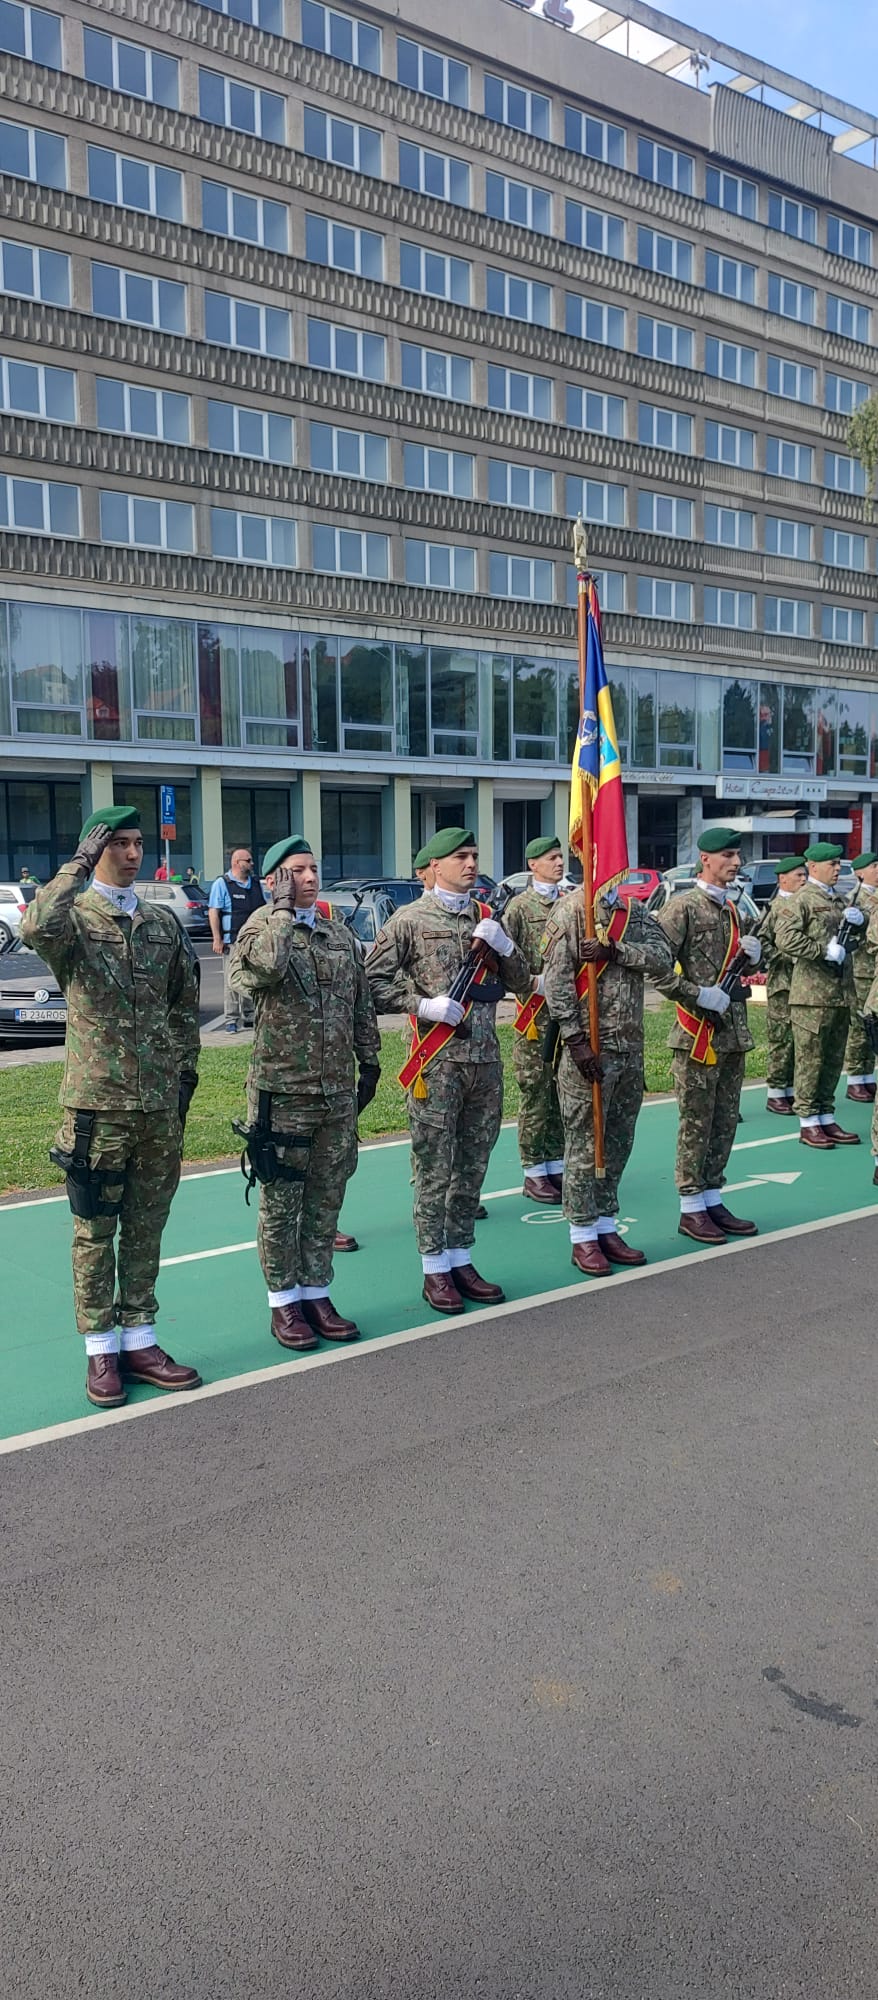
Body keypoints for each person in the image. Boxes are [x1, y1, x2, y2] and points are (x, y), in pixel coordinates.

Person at [21, 806, 202, 1409]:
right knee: (95, 1231)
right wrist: (74, 864)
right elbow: (33, 926)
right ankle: (101, 1348)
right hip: (96, 1108)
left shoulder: (158, 922)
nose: (132, 853)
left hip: (157, 1107)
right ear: (96, 849)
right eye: (118, 844)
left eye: (137, 842)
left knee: (147, 1227)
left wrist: (185, 1076)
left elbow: (184, 1003)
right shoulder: (74, 919)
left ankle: (141, 1340)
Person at [366, 828, 531, 1313]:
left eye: (475, 855)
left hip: (484, 1061)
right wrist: (423, 1004)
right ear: (433, 866)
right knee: (435, 1168)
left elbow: (524, 982)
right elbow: (372, 982)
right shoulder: (409, 920)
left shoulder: (487, 918)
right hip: (435, 1065)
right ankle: (434, 1267)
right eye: (460, 856)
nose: (470, 863)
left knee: (472, 1168)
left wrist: (504, 947)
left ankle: (461, 1257)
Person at [229, 836, 380, 1352]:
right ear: (275, 880)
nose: (310, 878)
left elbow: (360, 1002)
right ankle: (283, 1303)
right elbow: (263, 972)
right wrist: (280, 913)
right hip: (283, 1094)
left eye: (313, 868)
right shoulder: (258, 932)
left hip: (335, 1091)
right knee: (281, 1203)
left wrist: (371, 1059)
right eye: (297, 871)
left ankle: (317, 1292)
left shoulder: (339, 936)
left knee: (326, 1198)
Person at [542, 875, 673, 1273]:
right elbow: (557, 981)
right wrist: (576, 1040)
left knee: (618, 1140)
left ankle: (605, 1223)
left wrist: (616, 951)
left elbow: (663, 959)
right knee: (584, 1145)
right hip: (588, 1050)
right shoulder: (569, 911)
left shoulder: (633, 913)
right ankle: (582, 1235)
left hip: (629, 1046)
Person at [654, 828, 763, 1243]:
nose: (736, 863)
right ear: (705, 859)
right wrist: (697, 993)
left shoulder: (732, 910)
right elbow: (658, 968)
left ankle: (713, 1196)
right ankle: (690, 1207)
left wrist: (756, 953)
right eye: (728, 856)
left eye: (737, 856)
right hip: (696, 1034)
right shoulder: (682, 908)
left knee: (724, 1122)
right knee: (696, 1123)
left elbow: (745, 959)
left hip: (732, 1034)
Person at [774, 841, 863, 1149]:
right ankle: (808, 1121)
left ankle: (826, 1115)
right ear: (813, 867)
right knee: (810, 1060)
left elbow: (848, 941)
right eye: (832, 864)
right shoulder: (801, 900)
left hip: (839, 994)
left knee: (832, 1059)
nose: (838, 869)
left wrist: (858, 925)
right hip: (810, 995)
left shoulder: (836, 899)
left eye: (840, 864)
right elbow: (785, 939)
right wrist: (822, 951)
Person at [504, 835, 567, 1203]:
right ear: (533, 864)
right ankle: (533, 1170)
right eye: (551, 858)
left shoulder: (572, 902)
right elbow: (505, 959)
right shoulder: (519, 908)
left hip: (566, 1013)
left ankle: (555, 1163)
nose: (559, 863)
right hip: (535, 1016)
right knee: (536, 1092)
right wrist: (531, 982)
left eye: (561, 857)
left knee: (561, 1090)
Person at [757, 857, 807, 1116]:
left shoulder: (805, 903)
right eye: (797, 875)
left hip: (806, 984)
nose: (803, 879)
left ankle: (790, 1089)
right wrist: (787, 956)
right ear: (782, 879)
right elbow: (763, 943)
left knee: (800, 1040)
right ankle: (776, 1091)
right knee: (782, 1039)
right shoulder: (775, 908)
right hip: (783, 984)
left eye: (804, 874)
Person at [208, 845, 266, 1032]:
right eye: (248, 860)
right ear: (236, 863)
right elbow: (214, 912)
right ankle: (231, 1019)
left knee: (252, 978)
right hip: (231, 940)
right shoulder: (222, 884)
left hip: (254, 942)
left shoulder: (256, 884)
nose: (252, 863)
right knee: (232, 981)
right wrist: (217, 938)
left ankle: (249, 1015)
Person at [843, 851, 878, 1103]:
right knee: (860, 1025)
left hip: (874, 971)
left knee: (872, 1027)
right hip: (861, 970)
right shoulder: (854, 899)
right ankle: (856, 1078)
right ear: (860, 873)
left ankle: (867, 1077)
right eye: (874, 866)